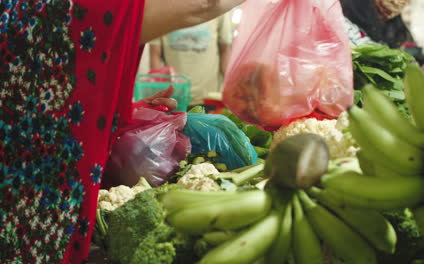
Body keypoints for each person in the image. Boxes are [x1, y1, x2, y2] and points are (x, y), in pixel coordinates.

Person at [0, 0, 245, 263]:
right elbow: (206, 3)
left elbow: (44, 100)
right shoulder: (53, 8)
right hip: (27, 223)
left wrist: (131, 113)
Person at [339, 0, 424, 81]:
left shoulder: (393, 32)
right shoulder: (341, 24)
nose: (399, 2)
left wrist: (420, 75)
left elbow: (392, 78)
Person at [148, 13, 233, 110]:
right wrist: (159, 92)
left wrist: (230, 88)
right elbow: (155, 55)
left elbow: (225, 51)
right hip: (175, 98)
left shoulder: (218, 5)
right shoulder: (161, 7)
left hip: (209, 97)